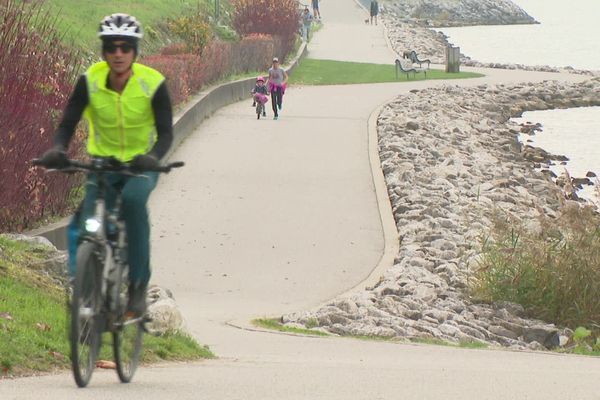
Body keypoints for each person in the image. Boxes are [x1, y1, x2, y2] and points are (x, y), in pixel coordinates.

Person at [37, 13, 173, 317]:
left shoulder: (153, 83)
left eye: (126, 47)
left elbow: (166, 133)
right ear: (104, 50)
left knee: (134, 202)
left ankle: (137, 286)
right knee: (86, 224)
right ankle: (84, 286)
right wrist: (58, 149)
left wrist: (152, 157)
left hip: (140, 164)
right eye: (111, 47)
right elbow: (68, 122)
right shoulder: (91, 80)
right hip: (102, 164)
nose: (118, 54)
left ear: (135, 51)